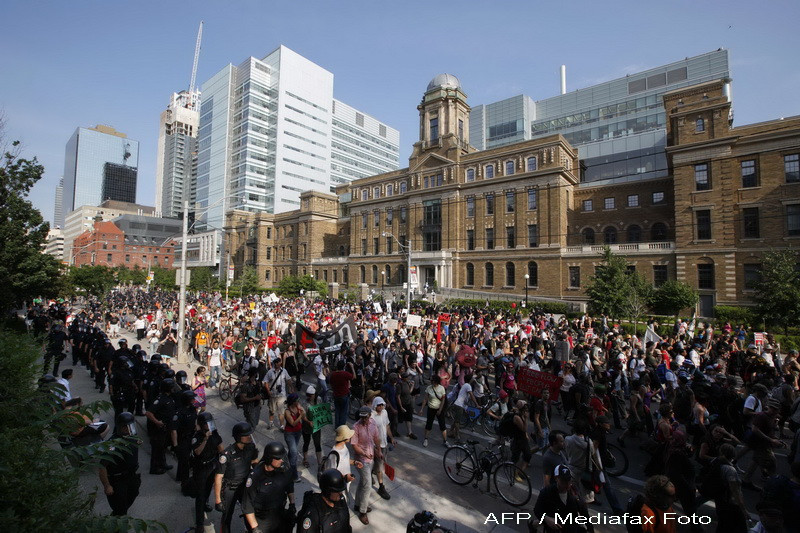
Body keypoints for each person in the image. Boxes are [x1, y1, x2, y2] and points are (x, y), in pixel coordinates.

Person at [242, 441, 296, 533]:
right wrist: (255, 528)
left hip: (279, 514)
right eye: (278, 458)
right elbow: (247, 505)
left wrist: (292, 504)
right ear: (269, 458)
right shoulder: (255, 477)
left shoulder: (284, 470)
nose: (282, 460)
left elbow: (289, 486)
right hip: (262, 519)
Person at [215, 422, 260, 533]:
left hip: (245, 486)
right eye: (246, 435)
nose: (249, 437)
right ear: (239, 437)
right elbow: (218, 477)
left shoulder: (251, 447)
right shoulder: (227, 454)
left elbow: (254, 462)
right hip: (230, 489)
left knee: (249, 512)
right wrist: (218, 500)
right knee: (227, 516)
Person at [98, 412, 141, 516]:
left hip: (131, 476)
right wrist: (107, 485)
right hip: (118, 481)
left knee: (132, 496)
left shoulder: (132, 437)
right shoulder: (113, 445)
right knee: (120, 508)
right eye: (126, 427)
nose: (129, 429)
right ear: (121, 427)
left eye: (131, 426)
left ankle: (118, 515)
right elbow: (102, 466)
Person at [533, 464, 593, 533]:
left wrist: (590, 529)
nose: (567, 484)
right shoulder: (547, 492)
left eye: (568, 480)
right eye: (563, 481)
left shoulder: (574, 493)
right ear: (556, 479)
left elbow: (584, 513)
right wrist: (547, 519)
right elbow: (537, 510)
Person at [191, 411, 224, 533]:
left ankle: (205, 503)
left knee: (208, 488)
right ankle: (199, 523)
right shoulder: (197, 436)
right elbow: (197, 452)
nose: (209, 425)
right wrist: (205, 438)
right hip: (201, 468)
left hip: (212, 465)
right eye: (206, 423)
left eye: (210, 423)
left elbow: (220, 448)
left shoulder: (214, 433)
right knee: (200, 495)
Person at [350, 406, 381, 525]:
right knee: (367, 485)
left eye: (366, 417)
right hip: (361, 460)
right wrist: (364, 453)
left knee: (363, 482)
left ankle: (357, 504)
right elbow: (354, 445)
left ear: (369, 416)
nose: (364, 420)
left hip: (371, 458)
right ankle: (362, 511)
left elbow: (376, 438)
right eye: (362, 417)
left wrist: (378, 451)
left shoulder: (373, 423)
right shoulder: (355, 427)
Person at [295, 469, 352, 533]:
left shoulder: (341, 500)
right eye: (337, 491)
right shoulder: (314, 513)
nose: (340, 493)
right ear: (327, 491)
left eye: (340, 490)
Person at [145, 378, 177, 475]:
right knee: (156, 449)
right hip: (158, 430)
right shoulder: (160, 399)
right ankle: (154, 468)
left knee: (162, 448)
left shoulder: (170, 397)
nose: (173, 389)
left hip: (165, 428)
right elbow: (148, 413)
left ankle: (163, 464)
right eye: (172, 387)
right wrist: (157, 422)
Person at [324, 425, 363, 497]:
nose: (350, 437)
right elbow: (331, 474)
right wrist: (345, 477)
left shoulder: (344, 446)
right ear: (345, 438)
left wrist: (355, 462)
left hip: (345, 484)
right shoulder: (334, 454)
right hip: (338, 488)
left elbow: (345, 460)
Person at [370, 396, 393, 500]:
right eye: (379, 405)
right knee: (379, 467)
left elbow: (387, 426)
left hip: (384, 444)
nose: (381, 406)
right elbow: (370, 434)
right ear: (375, 405)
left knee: (379, 463)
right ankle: (381, 487)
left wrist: (391, 438)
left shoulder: (385, 413)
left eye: (382, 404)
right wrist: (376, 449)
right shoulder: (371, 416)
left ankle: (371, 473)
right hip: (376, 446)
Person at [175, 389, 198, 491]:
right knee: (184, 460)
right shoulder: (179, 412)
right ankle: (184, 483)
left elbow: (195, 420)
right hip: (183, 438)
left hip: (191, 437)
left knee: (188, 459)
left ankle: (182, 477)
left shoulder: (192, 409)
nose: (194, 400)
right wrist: (175, 445)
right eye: (192, 399)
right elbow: (173, 430)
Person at [418, 374, 448, 448]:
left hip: (439, 409)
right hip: (431, 408)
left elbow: (443, 400)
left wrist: (440, 410)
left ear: (436, 381)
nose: (431, 382)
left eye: (432, 380)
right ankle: (426, 439)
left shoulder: (441, 388)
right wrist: (422, 409)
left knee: (442, 425)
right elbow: (425, 399)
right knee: (429, 424)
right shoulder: (429, 388)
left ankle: (445, 441)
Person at [301, 385, 324, 473]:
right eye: (308, 395)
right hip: (307, 426)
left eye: (311, 395)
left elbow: (321, 409)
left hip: (316, 426)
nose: (309, 397)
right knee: (306, 443)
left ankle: (319, 462)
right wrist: (308, 421)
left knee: (317, 444)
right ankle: (305, 459)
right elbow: (302, 415)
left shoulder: (319, 399)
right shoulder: (305, 403)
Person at [284, 393, 305, 482]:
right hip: (290, 434)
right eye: (297, 400)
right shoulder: (287, 411)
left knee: (292, 452)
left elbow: (304, 415)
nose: (298, 401)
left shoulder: (298, 407)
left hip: (298, 432)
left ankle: (286, 468)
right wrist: (300, 415)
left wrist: (301, 411)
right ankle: (294, 476)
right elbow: (293, 423)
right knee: (294, 453)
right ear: (293, 402)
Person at [265, 358, 290, 430]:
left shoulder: (284, 371)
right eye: (276, 363)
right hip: (272, 395)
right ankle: (271, 423)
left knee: (281, 411)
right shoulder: (270, 372)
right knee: (272, 410)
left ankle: (282, 426)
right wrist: (268, 391)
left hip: (282, 395)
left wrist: (291, 388)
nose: (277, 365)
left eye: (278, 363)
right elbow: (265, 382)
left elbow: (288, 379)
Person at [330, 360, 355, 429]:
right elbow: (353, 377)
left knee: (337, 411)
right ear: (343, 366)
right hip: (344, 395)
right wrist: (352, 367)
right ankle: (342, 427)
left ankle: (337, 426)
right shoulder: (345, 374)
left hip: (336, 395)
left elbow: (331, 383)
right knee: (344, 412)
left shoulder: (333, 374)